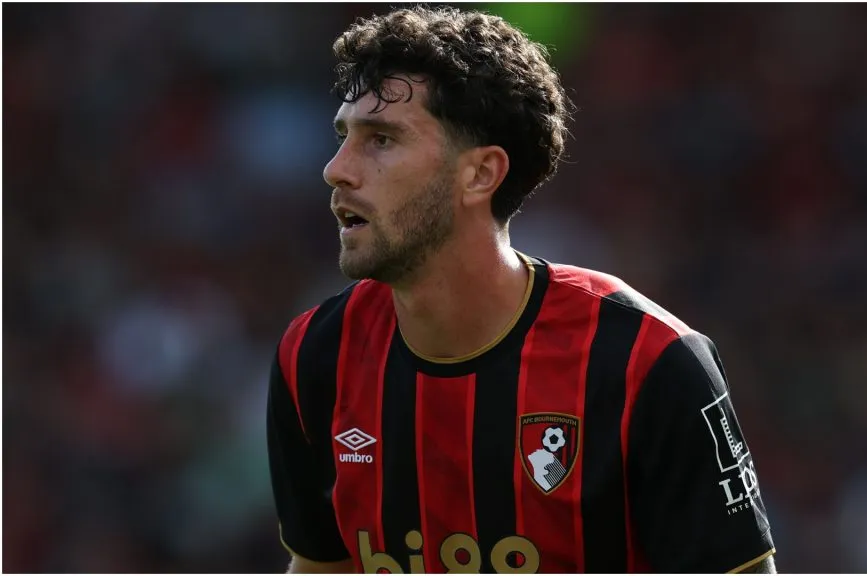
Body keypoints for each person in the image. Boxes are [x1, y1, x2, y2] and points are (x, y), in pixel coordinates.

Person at [266, 6, 776, 574]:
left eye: (381, 139)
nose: (336, 169)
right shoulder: (314, 355)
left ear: (481, 174)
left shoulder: (646, 363)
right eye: (344, 137)